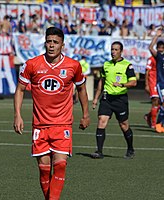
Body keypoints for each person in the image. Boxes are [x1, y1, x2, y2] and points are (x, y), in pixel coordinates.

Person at [13, 27, 90, 199]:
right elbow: (20, 90)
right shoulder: (32, 64)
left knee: (61, 164)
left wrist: (85, 114)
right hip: (40, 125)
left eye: (55, 42)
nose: (51, 45)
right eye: (49, 41)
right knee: (44, 169)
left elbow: (82, 89)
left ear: (62, 44)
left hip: (62, 124)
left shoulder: (73, 65)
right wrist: (17, 115)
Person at [91, 41, 137, 159]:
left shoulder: (127, 65)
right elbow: (101, 82)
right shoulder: (106, 65)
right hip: (107, 98)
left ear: (121, 51)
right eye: (112, 49)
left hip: (120, 99)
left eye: (116, 50)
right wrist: (96, 98)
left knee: (124, 125)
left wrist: (122, 85)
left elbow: (134, 82)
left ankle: (130, 148)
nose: (113, 52)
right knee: (102, 120)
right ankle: (99, 151)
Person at [144, 41, 164, 129]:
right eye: (159, 48)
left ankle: (149, 116)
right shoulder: (151, 59)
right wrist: (146, 84)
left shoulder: (161, 58)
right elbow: (147, 71)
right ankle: (153, 123)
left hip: (160, 81)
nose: (160, 49)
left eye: (162, 48)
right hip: (153, 82)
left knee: (160, 103)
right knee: (155, 101)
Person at [149, 29, 164, 133]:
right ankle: (158, 124)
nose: (160, 49)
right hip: (162, 84)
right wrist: (156, 36)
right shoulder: (159, 56)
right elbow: (150, 47)